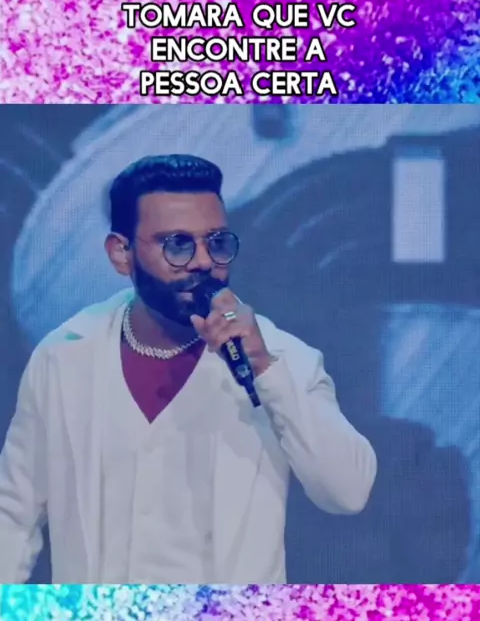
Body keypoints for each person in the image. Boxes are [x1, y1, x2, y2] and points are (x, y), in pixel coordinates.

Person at [0, 154, 377, 584]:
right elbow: (13, 515)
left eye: (216, 243)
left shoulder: (281, 357)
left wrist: (264, 368)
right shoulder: (65, 357)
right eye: (177, 245)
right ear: (122, 254)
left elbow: (349, 491)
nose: (202, 262)